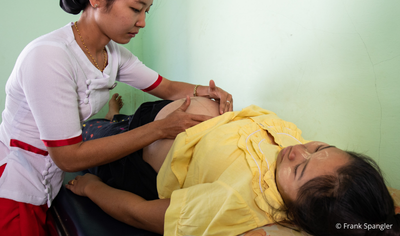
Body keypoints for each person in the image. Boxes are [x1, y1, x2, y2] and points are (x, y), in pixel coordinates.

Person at [0, 0, 233, 235]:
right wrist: (159, 129)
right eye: (136, 9)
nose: (143, 22)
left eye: (146, 11)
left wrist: (209, 91)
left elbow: (168, 88)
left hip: (49, 184)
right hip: (13, 186)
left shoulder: (112, 54)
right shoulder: (49, 57)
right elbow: (69, 157)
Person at [67, 96, 400, 236]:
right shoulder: (319, 173)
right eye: (320, 147)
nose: (299, 150)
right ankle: (117, 116)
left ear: (298, 213)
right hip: (159, 116)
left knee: (88, 132)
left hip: (131, 156)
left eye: (300, 168)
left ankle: (110, 119)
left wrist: (90, 187)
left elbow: (141, 213)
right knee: (122, 121)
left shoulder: (237, 202)